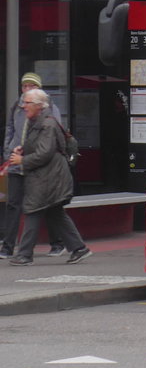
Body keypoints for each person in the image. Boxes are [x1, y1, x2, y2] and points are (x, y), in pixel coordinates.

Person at [6, 88, 90, 266]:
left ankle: (24, 254)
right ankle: (79, 248)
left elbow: (45, 152)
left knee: (33, 210)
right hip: (48, 177)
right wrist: (21, 150)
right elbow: (39, 147)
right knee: (55, 212)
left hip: (49, 178)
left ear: (38, 105)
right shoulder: (37, 121)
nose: (23, 106)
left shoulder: (48, 124)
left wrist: (23, 160)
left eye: (27, 103)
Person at [1, 73, 65, 259]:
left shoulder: (48, 109)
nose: (27, 89)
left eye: (31, 86)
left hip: (35, 165)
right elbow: (10, 130)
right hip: (16, 163)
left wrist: (32, 158)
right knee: (13, 204)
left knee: (44, 205)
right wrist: (8, 151)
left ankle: (57, 243)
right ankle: (8, 246)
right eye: (24, 86)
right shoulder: (17, 107)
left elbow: (51, 138)